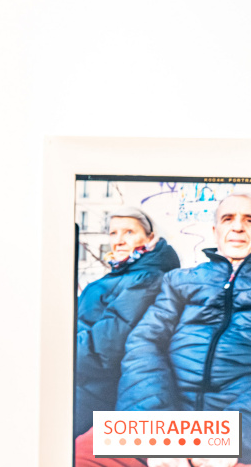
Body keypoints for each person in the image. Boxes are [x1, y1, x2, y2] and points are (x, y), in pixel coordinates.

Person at [75, 194, 251, 467]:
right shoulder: (180, 280)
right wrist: (156, 425)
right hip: (162, 423)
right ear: (215, 230)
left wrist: (233, 438)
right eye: (228, 219)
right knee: (80, 452)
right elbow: (143, 344)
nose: (238, 227)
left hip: (236, 432)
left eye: (249, 220)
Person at [74, 207, 180, 438]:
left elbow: (104, 349)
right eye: (113, 233)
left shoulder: (147, 278)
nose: (119, 241)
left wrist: (56, 352)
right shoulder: (122, 275)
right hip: (82, 388)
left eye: (129, 232)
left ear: (150, 238)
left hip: (94, 396)